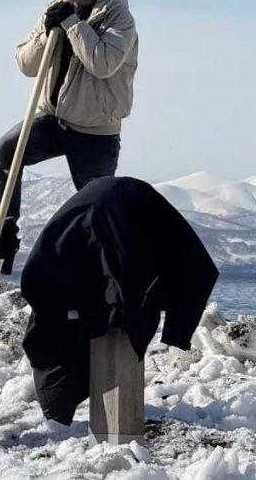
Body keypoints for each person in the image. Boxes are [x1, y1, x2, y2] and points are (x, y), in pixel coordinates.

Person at [0, 0, 139, 274]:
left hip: (95, 129)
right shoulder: (56, 8)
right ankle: (2, 240)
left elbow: (103, 63)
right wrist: (47, 31)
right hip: (54, 120)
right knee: (7, 150)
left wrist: (72, 24)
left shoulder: (119, 18)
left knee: (98, 207)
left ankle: (116, 274)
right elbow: (26, 64)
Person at [20, 176, 218, 424]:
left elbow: (40, 279)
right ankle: (78, 413)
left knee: (109, 313)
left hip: (81, 230)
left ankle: (63, 409)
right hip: (114, 217)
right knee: (125, 312)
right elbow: (195, 274)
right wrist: (173, 330)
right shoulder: (174, 244)